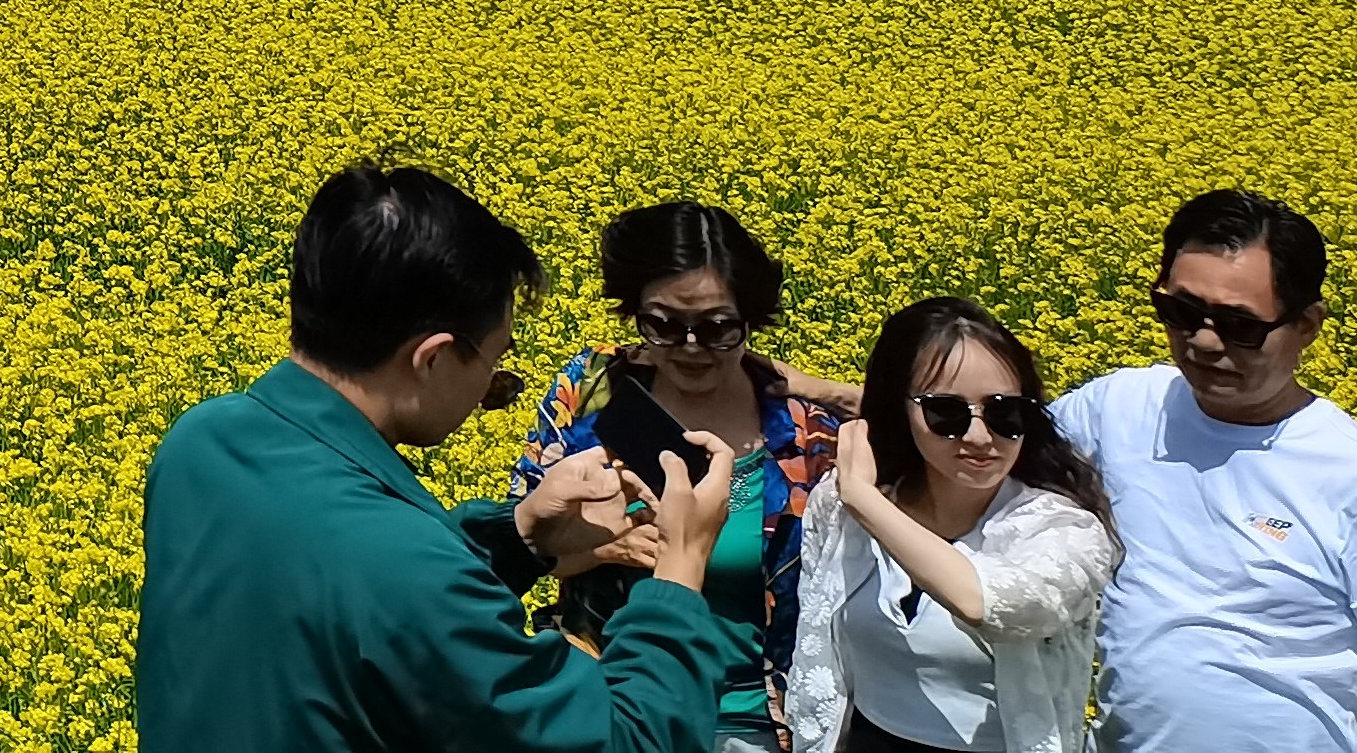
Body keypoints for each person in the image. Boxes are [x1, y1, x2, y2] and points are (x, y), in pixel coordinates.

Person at [139, 160, 740, 752]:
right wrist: (681, 569)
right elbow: (628, 741)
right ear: (433, 358)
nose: (489, 388)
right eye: (494, 364)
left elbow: (347, 609)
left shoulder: (198, 443)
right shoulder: (404, 568)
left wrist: (522, 535)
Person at [1054, 191, 1357, 753]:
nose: (1203, 341)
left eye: (1239, 326)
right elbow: (979, 462)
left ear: (1307, 326)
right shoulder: (1116, 410)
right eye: (1180, 312)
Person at [513, 202, 857, 753]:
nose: (691, 347)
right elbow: (518, 543)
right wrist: (608, 548)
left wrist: (837, 393)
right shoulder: (593, 391)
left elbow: (956, 436)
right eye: (663, 325)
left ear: (751, 319)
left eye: (718, 327)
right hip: (606, 702)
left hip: (752, 720)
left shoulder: (801, 431)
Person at [787, 298, 1119, 753]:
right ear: (899, 411)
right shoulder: (840, 504)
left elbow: (987, 603)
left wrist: (864, 498)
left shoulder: (1064, 531)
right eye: (947, 413)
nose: (980, 438)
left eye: (1005, 413)